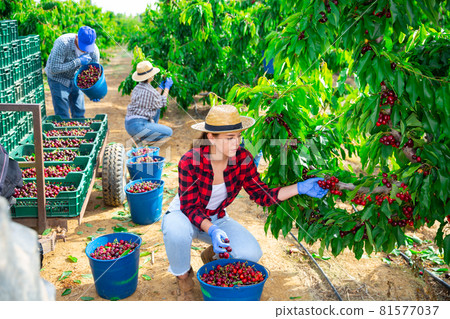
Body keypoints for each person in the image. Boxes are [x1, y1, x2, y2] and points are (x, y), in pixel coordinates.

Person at [161, 104, 328, 300]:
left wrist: (299, 187)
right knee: (176, 232)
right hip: (185, 215)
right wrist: (212, 230)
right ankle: (184, 280)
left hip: (215, 216)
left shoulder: (242, 159)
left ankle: (211, 257)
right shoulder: (190, 161)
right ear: (211, 137)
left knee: (250, 254)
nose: (237, 143)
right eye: (230, 138)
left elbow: (261, 194)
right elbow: (189, 207)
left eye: (239, 136)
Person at [45, 26, 100, 119]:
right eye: (83, 46)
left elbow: (93, 72)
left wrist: (94, 91)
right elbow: (53, 69)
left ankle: (80, 133)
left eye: (88, 47)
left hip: (75, 79)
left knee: (79, 112)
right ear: (76, 37)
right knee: (62, 115)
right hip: (58, 79)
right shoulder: (63, 44)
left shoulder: (93, 50)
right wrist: (77, 61)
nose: (85, 50)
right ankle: (64, 132)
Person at [124, 60, 173, 145]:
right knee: (169, 132)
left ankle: (144, 134)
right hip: (139, 126)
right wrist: (167, 88)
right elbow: (162, 102)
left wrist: (160, 88)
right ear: (151, 76)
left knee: (157, 109)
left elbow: (154, 100)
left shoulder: (137, 88)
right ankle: (146, 138)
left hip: (128, 124)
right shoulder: (151, 92)